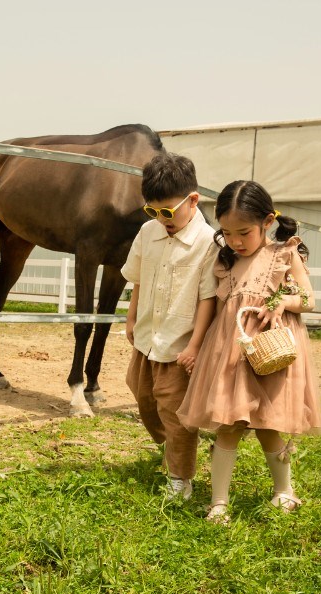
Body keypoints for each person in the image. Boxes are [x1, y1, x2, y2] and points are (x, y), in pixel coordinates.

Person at [177, 180, 321, 522]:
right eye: (227, 233)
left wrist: (281, 302)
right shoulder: (225, 262)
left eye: (243, 232)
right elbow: (214, 311)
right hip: (229, 352)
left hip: (270, 353)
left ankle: (284, 491)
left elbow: (309, 299)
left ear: (268, 222)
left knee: (268, 425)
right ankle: (218, 503)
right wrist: (198, 348)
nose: (235, 241)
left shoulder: (283, 253)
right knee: (227, 425)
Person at [122, 152, 218, 500]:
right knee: (142, 394)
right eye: (153, 210)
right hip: (147, 335)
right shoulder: (149, 232)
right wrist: (132, 316)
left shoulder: (208, 242)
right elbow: (138, 277)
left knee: (175, 412)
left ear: (193, 200)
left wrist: (194, 345)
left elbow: (208, 297)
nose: (161, 219)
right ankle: (173, 446)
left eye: (167, 211)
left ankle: (181, 477)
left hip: (179, 344)